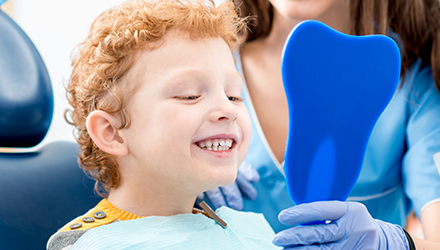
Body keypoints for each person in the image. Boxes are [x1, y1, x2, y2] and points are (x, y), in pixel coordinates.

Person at [200, 0, 440, 248]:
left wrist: (394, 243)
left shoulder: (414, 87)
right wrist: (174, 186)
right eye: (187, 97)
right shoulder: (201, 67)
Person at [46, 0, 281, 249]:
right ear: (112, 132)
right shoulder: (94, 245)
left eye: (234, 95)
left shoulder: (250, 231)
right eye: (190, 95)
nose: (228, 110)